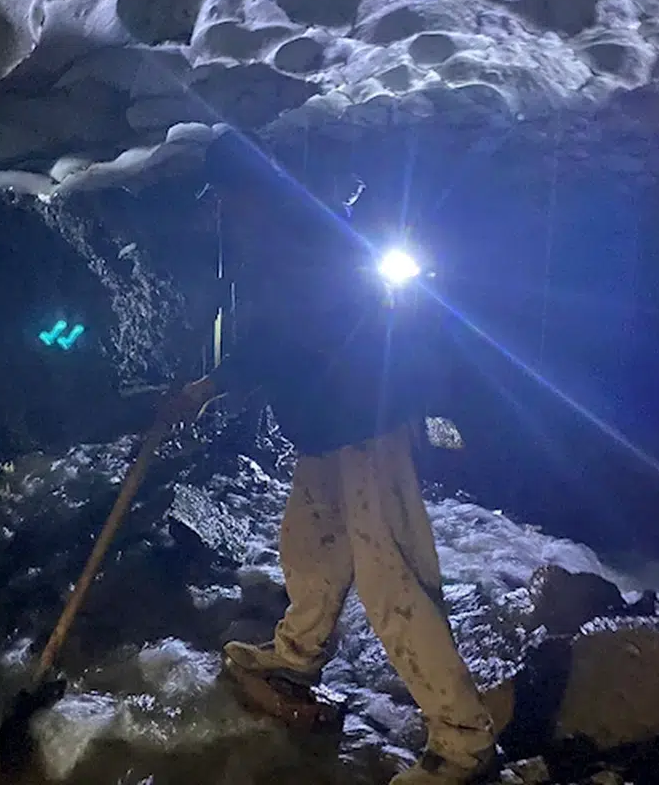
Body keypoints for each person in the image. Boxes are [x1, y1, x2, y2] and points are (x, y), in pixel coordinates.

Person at [158, 132, 497, 785]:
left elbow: (284, 342)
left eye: (227, 196)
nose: (223, 211)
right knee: (309, 548)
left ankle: (463, 741)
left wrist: (208, 387)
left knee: (390, 577)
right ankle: (296, 657)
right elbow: (281, 340)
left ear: (250, 191)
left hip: (365, 420)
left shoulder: (304, 240)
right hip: (325, 424)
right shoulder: (281, 241)